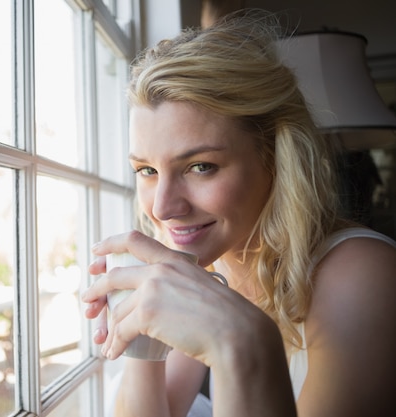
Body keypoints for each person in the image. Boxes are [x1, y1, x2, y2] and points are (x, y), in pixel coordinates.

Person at [81, 10, 396, 417]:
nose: (162, 207)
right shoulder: (214, 269)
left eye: (201, 166)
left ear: (276, 158)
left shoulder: (364, 275)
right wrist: (140, 336)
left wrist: (242, 345)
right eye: (147, 170)